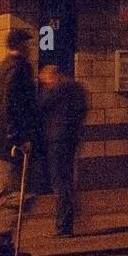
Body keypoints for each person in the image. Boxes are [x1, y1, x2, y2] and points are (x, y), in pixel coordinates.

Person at [0, 28, 40, 256]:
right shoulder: (17, 69)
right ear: (21, 45)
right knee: (24, 192)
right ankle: (0, 235)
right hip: (10, 141)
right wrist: (17, 138)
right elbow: (12, 106)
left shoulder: (3, 68)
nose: (32, 47)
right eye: (28, 43)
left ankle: (3, 249)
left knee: (4, 191)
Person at [38, 63, 88, 237]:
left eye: (45, 80)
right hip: (71, 139)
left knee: (59, 182)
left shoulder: (56, 91)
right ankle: (68, 222)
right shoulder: (76, 88)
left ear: (53, 76)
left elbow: (41, 109)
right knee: (66, 180)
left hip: (57, 141)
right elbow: (82, 111)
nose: (45, 83)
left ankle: (63, 226)